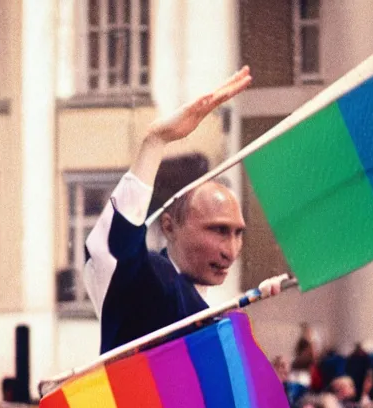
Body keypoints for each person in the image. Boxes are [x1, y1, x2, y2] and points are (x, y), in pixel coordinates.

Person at [84, 66, 282, 354]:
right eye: (218, 230)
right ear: (168, 226)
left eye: (238, 233)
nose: (230, 250)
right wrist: (154, 142)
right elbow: (114, 248)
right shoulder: (150, 280)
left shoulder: (195, 303)